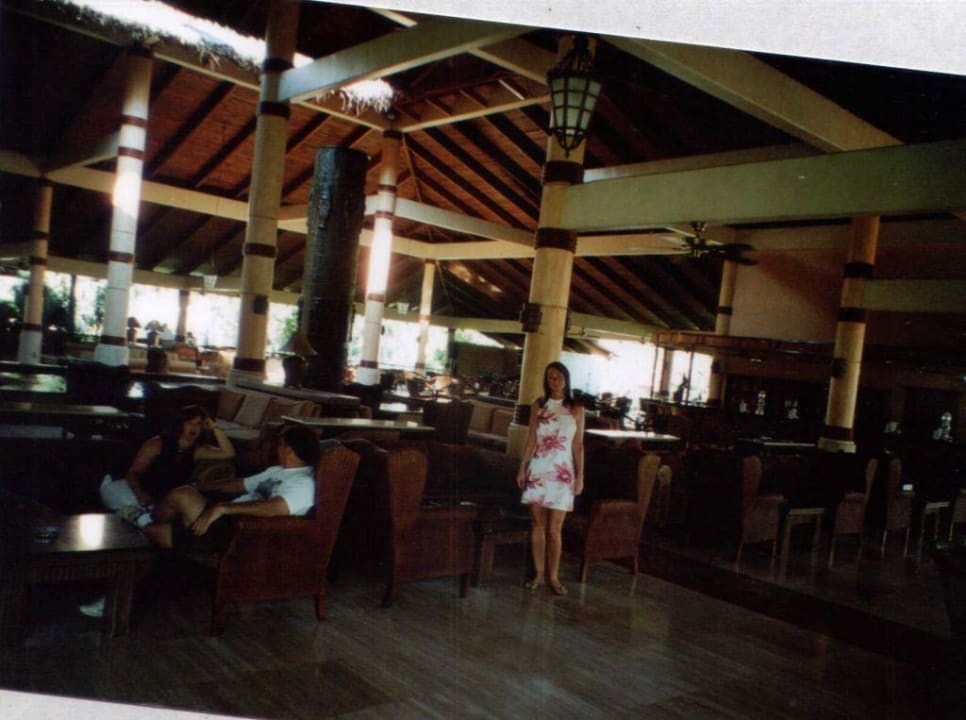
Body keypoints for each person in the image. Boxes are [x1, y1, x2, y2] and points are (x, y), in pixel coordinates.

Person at [141, 425, 322, 551]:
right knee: (154, 529)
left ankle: (145, 515)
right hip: (228, 520)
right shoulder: (277, 471)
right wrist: (199, 485)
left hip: (241, 531)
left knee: (181, 496)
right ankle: (150, 520)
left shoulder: (303, 483)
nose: (276, 448)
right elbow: (239, 484)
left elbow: (274, 508)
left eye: (279, 444)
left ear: (288, 449)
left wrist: (223, 508)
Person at [99, 405, 235, 528]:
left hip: (162, 498)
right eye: (189, 422)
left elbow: (229, 453)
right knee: (132, 507)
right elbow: (134, 472)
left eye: (199, 423)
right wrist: (140, 493)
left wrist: (215, 428)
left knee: (167, 514)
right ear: (180, 424)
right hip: (132, 489)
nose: (194, 427)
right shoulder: (157, 444)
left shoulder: (198, 450)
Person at [515, 361, 585, 596]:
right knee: (537, 524)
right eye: (550, 377)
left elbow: (578, 446)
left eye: (558, 377)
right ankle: (538, 573)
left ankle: (553, 577)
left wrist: (580, 476)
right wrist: (522, 468)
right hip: (538, 469)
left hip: (563, 474)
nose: (553, 381)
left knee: (554, 530)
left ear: (566, 379)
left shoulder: (576, 409)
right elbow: (531, 440)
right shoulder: (539, 405)